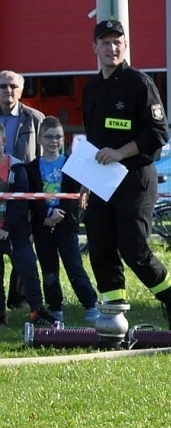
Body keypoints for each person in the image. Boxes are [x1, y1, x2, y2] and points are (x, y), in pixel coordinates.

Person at [78, 19, 171, 329]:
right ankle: (113, 318)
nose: (112, 47)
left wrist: (120, 152)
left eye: (117, 41)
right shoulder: (91, 88)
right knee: (100, 248)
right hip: (101, 183)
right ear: (94, 48)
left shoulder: (139, 83)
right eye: (105, 42)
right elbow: (91, 142)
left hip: (135, 179)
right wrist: (86, 182)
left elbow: (159, 132)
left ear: (125, 46)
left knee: (134, 249)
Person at [24, 117, 98, 324]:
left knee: (74, 266)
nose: (53, 141)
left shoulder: (70, 164)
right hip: (42, 227)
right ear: (39, 139)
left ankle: (90, 304)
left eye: (58, 136)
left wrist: (59, 214)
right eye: (49, 137)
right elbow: (31, 198)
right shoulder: (31, 168)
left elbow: (75, 195)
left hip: (66, 226)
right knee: (48, 271)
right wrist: (47, 215)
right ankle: (55, 307)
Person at [0, 70, 43, 310]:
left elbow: (43, 153)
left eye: (13, 86)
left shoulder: (34, 118)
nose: (8, 90)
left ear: (21, 89)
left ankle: (18, 299)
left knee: (23, 246)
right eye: (3, 86)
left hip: (25, 193)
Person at [0, 128, 46, 328]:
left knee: (28, 269)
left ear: (3, 139)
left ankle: (37, 311)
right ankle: (1, 317)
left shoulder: (17, 168)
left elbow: (20, 202)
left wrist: (7, 228)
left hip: (15, 230)